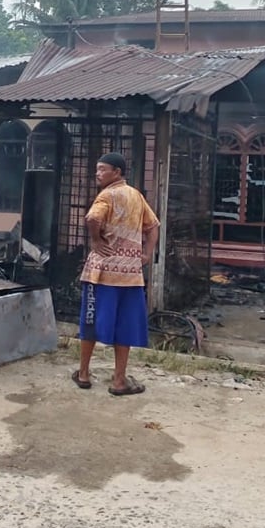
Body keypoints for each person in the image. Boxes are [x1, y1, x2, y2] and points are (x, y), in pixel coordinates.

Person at [74, 152, 161, 396]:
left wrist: (95, 240)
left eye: (103, 169)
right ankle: (119, 381)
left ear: (117, 172)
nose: (98, 174)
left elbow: (92, 217)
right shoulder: (136, 195)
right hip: (131, 274)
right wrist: (146, 254)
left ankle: (83, 374)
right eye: (97, 169)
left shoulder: (107, 195)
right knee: (125, 326)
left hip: (101, 273)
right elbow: (154, 227)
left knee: (89, 322)